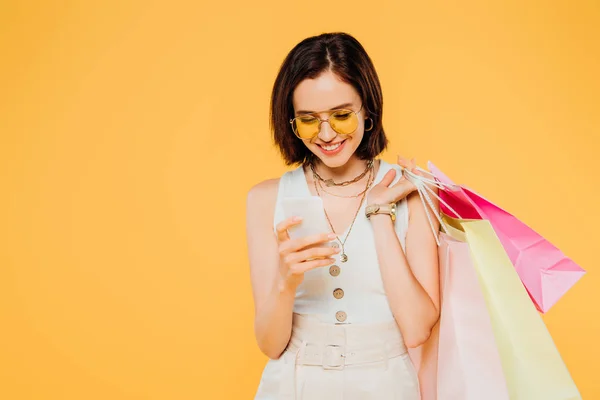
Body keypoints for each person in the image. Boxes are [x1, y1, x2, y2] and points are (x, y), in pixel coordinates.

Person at [246, 32, 441, 399]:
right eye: (308, 120)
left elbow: (417, 329)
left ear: (368, 109)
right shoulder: (265, 199)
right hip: (293, 384)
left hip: (386, 386)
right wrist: (285, 283)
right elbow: (271, 345)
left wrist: (380, 214)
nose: (326, 134)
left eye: (341, 115)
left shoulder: (408, 191)